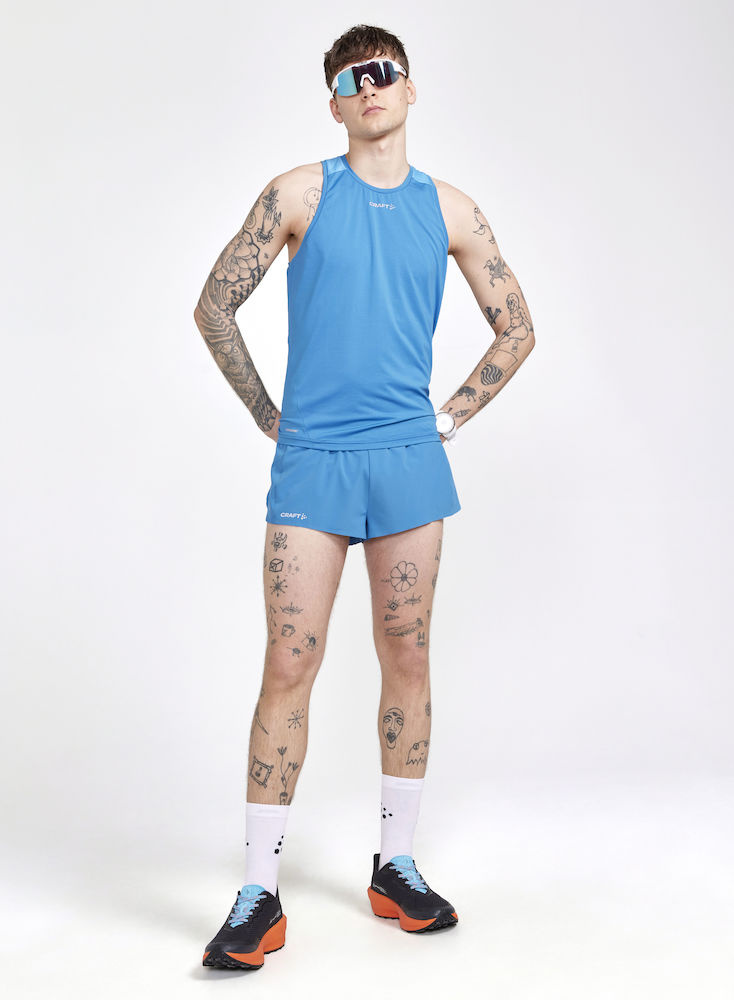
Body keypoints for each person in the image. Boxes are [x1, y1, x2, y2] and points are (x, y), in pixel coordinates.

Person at [193, 23, 535, 970]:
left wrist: (449, 416)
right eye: (350, 79)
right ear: (334, 104)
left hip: (407, 463)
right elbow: (214, 304)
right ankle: (258, 891)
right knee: (289, 663)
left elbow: (516, 327)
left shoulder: (452, 209)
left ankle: (396, 866)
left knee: (408, 658)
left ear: (410, 89)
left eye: (383, 73)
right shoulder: (299, 194)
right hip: (315, 462)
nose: (368, 87)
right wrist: (266, 411)